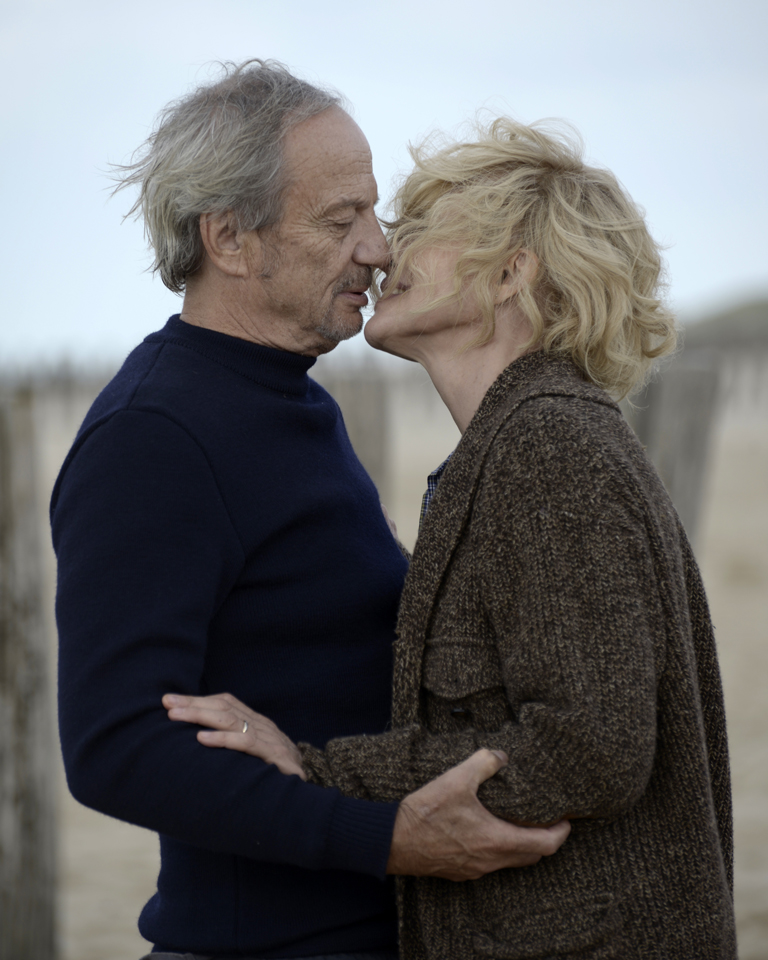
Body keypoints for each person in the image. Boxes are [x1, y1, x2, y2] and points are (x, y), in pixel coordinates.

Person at [168, 118, 737, 958]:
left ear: (511, 273)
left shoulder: (549, 451)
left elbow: (593, 748)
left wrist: (318, 772)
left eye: (425, 231)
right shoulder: (523, 444)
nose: (385, 252)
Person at [51, 63, 569, 960]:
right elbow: (116, 747)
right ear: (231, 239)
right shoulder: (156, 435)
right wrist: (384, 839)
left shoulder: (287, 398)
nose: (378, 247)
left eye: (374, 213)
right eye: (341, 220)